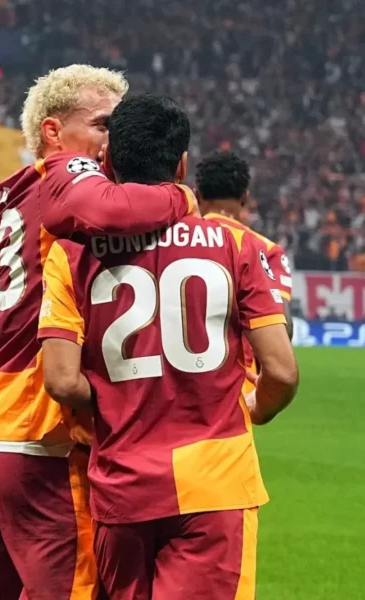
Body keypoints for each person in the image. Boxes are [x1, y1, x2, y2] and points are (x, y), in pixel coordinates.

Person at [0, 65, 201, 600]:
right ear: (53, 132)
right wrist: (181, 197)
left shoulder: (13, 190)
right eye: (104, 125)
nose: (115, 141)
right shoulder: (67, 174)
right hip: (42, 431)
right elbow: (101, 210)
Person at [38, 94, 299, 600]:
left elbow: (61, 381)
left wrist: (113, 397)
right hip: (216, 482)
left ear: (109, 162)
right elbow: (283, 373)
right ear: (181, 166)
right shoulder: (238, 245)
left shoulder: (69, 255)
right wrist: (256, 407)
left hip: (122, 484)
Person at [198, 150, 293, 337]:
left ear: (197, 195)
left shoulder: (172, 237)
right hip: (238, 355)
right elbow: (284, 324)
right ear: (245, 197)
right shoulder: (268, 250)